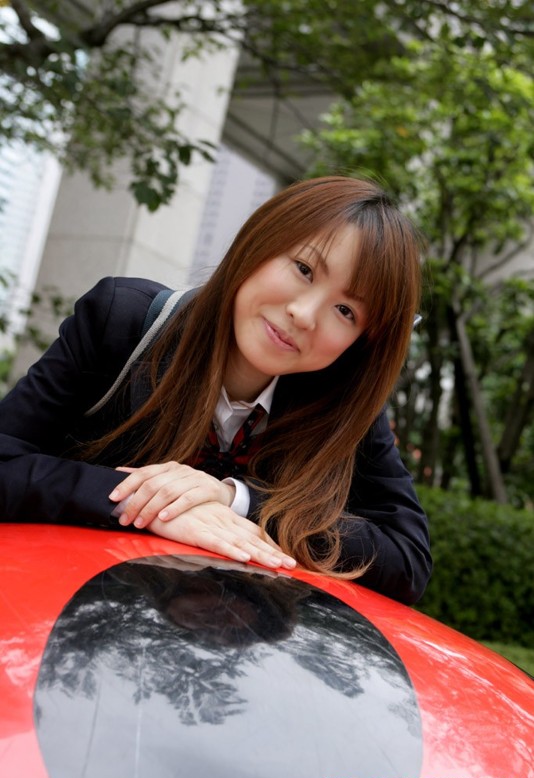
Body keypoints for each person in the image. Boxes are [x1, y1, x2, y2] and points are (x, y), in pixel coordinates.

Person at [0, 176, 431, 604]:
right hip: (59, 614)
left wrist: (234, 499)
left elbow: (407, 558)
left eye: (345, 310)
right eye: (304, 269)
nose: (303, 314)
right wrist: (149, 506)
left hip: (236, 639)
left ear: (362, 342)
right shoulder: (124, 323)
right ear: (260, 243)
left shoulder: (346, 406)